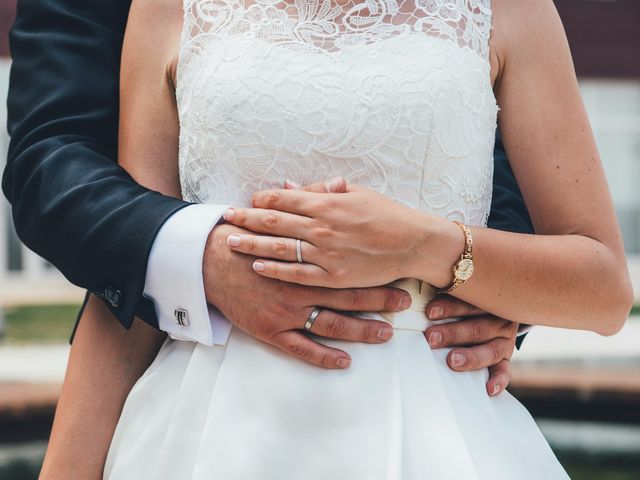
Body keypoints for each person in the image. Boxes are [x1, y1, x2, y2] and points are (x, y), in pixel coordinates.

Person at [5, 0, 527, 478]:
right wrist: (204, 258)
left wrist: (481, 272)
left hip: (433, 393)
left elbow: (496, 169)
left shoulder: (501, 16)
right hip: (209, 404)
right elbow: (53, 157)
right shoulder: (161, 13)